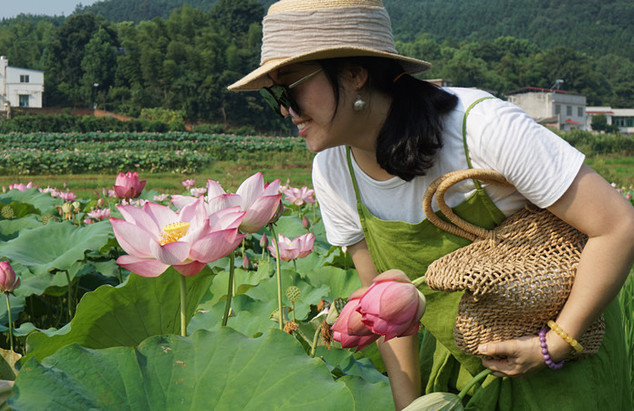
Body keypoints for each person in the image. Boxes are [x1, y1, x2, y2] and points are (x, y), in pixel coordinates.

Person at [228, 0, 634, 409]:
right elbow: (384, 314)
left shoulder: (481, 129)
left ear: (354, 74)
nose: (285, 108)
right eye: (275, 95)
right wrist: (408, 405)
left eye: (291, 87)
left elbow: (619, 226)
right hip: (463, 372)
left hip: (564, 366)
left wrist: (555, 343)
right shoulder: (334, 171)